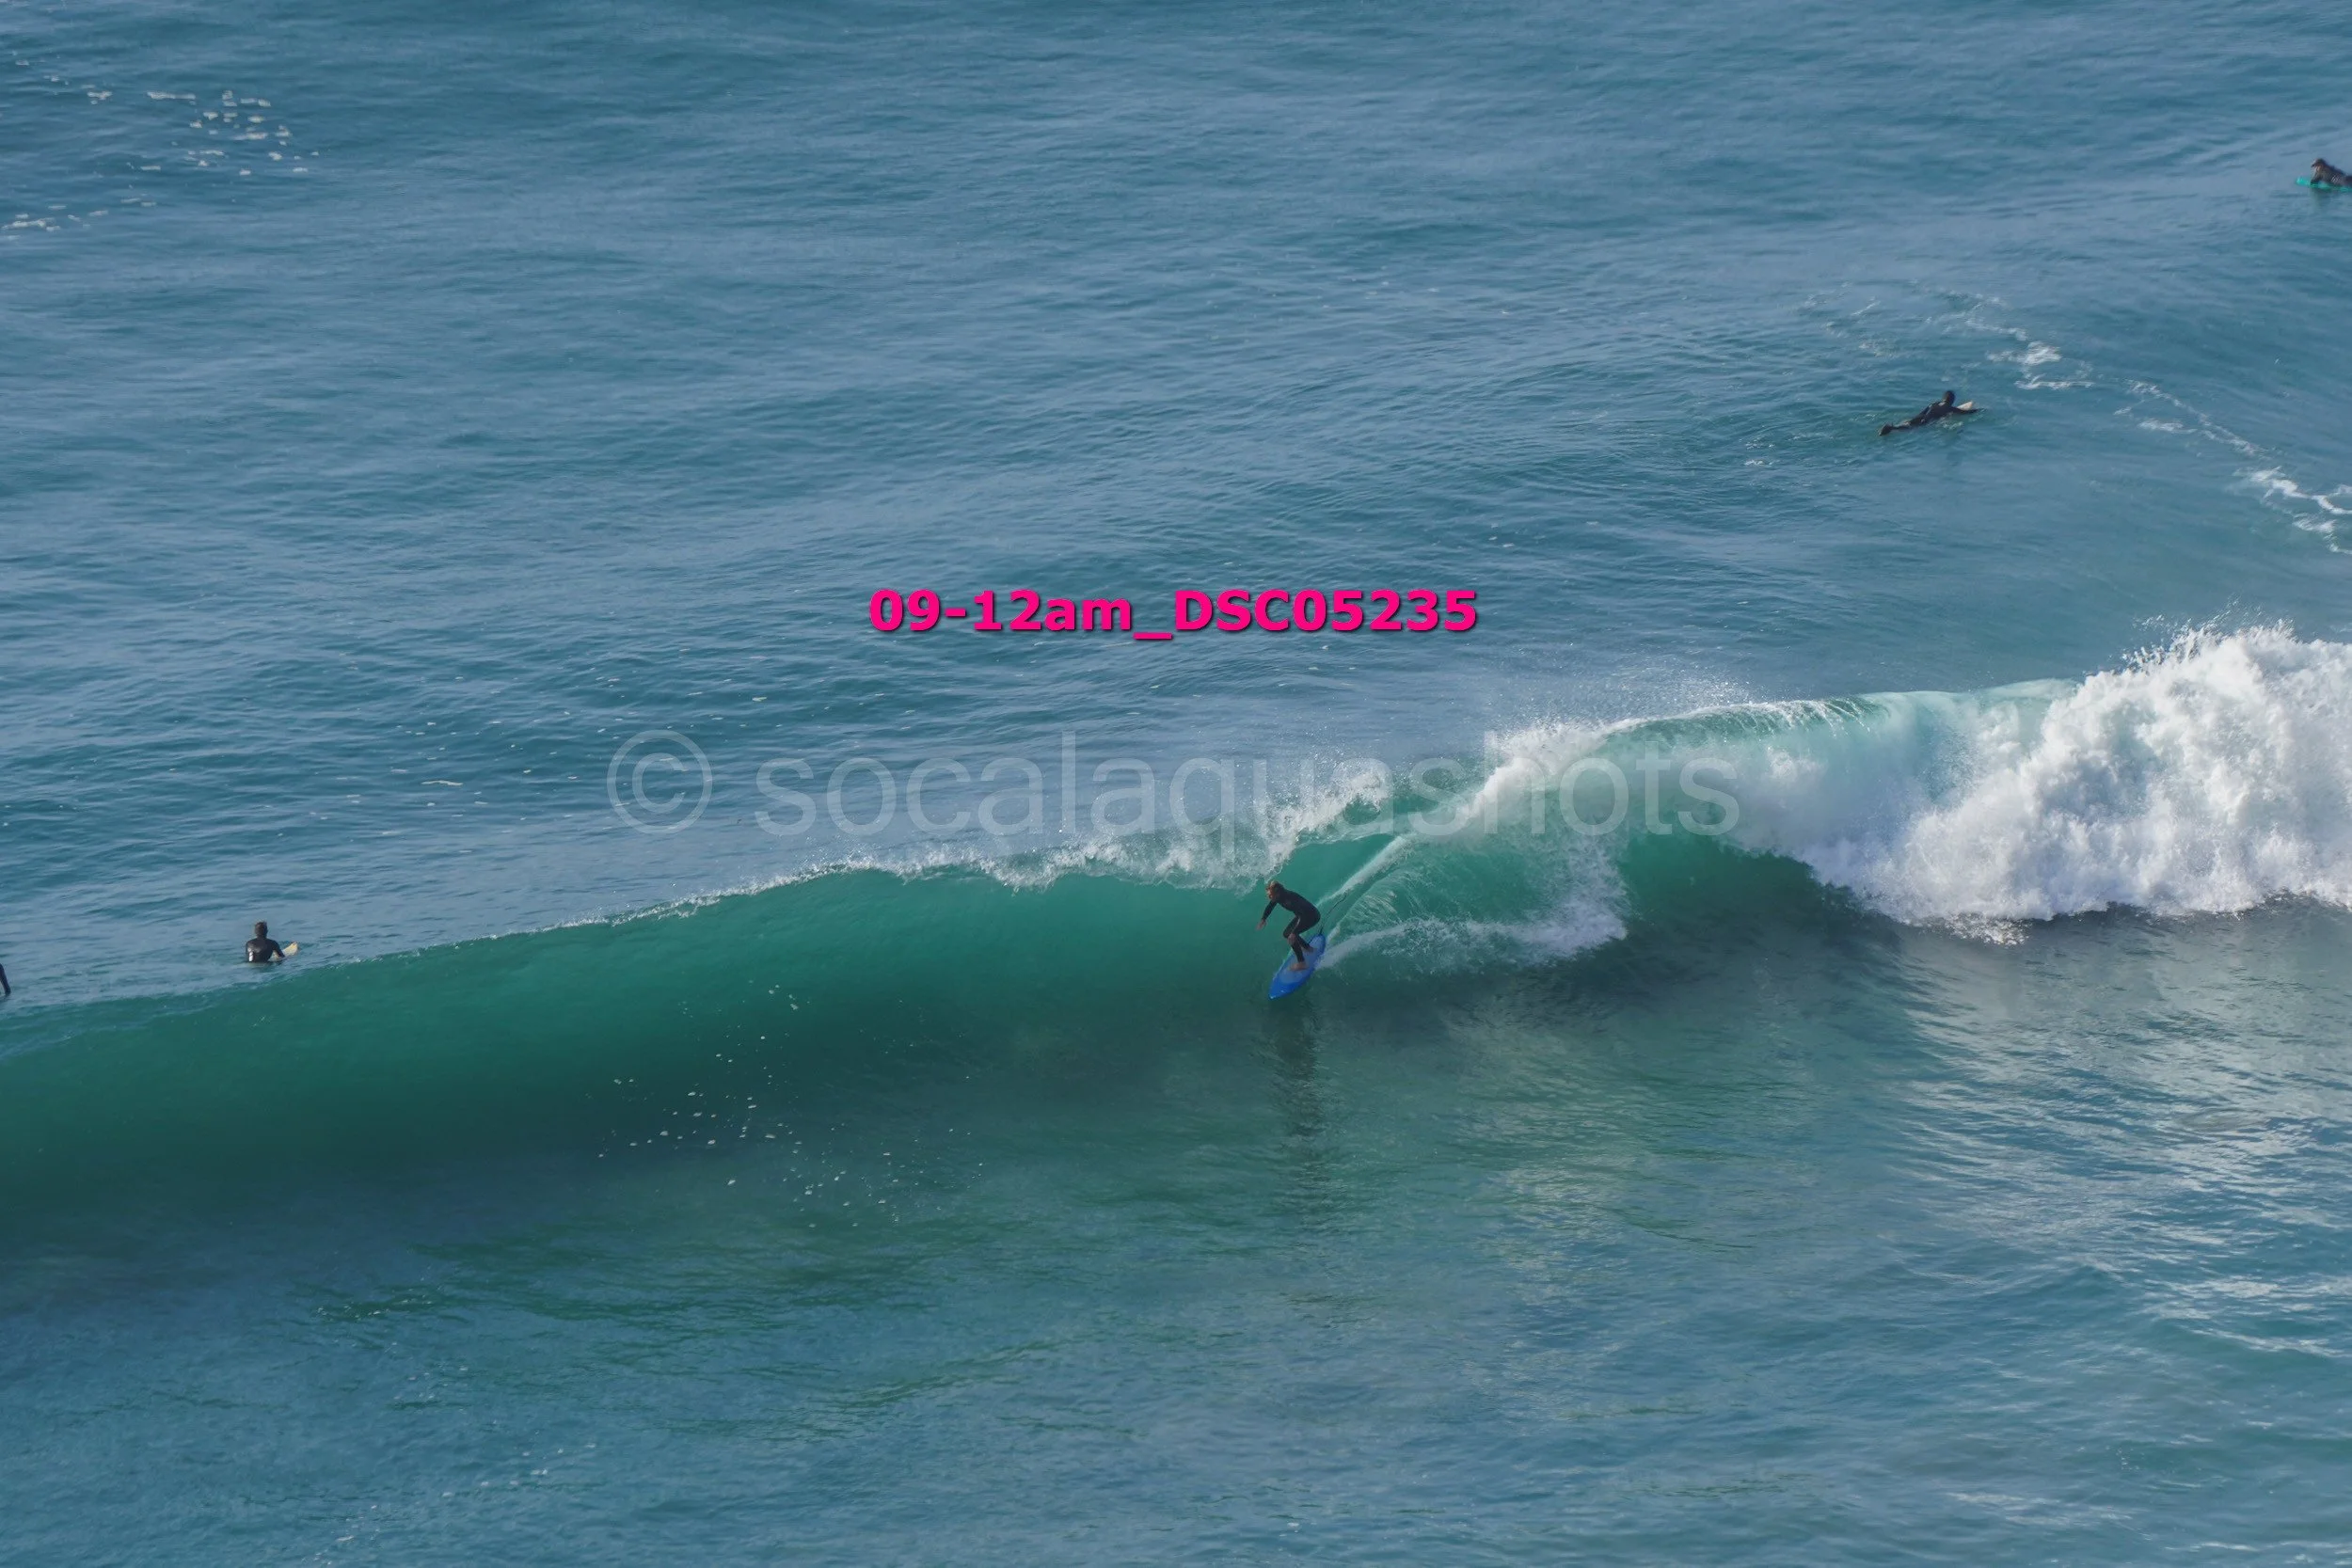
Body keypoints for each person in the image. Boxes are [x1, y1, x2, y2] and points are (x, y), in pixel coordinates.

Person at [1258, 880, 1322, 971]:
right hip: (1302, 915)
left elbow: (1303, 916)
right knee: (1287, 934)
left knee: (1291, 935)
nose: (1269, 897)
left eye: (1270, 895)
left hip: (1312, 917)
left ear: (1277, 894)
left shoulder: (1291, 899)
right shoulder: (1278, 897)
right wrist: (1263, 919)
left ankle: (1302, 963)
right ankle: (1308, 948)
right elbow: (1270, 906)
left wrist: (1294, 932)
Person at [1881, 389, 1979, 436]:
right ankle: (1891, 428)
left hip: (1919, 417)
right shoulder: (1949, 408)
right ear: (1952, 401)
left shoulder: (1934, 403)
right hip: (1926, 421)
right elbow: (1964, 413)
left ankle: (1891, 428)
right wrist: (1979, 410)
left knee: (1908, 424)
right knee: (1909, 429)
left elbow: (1923, 412)